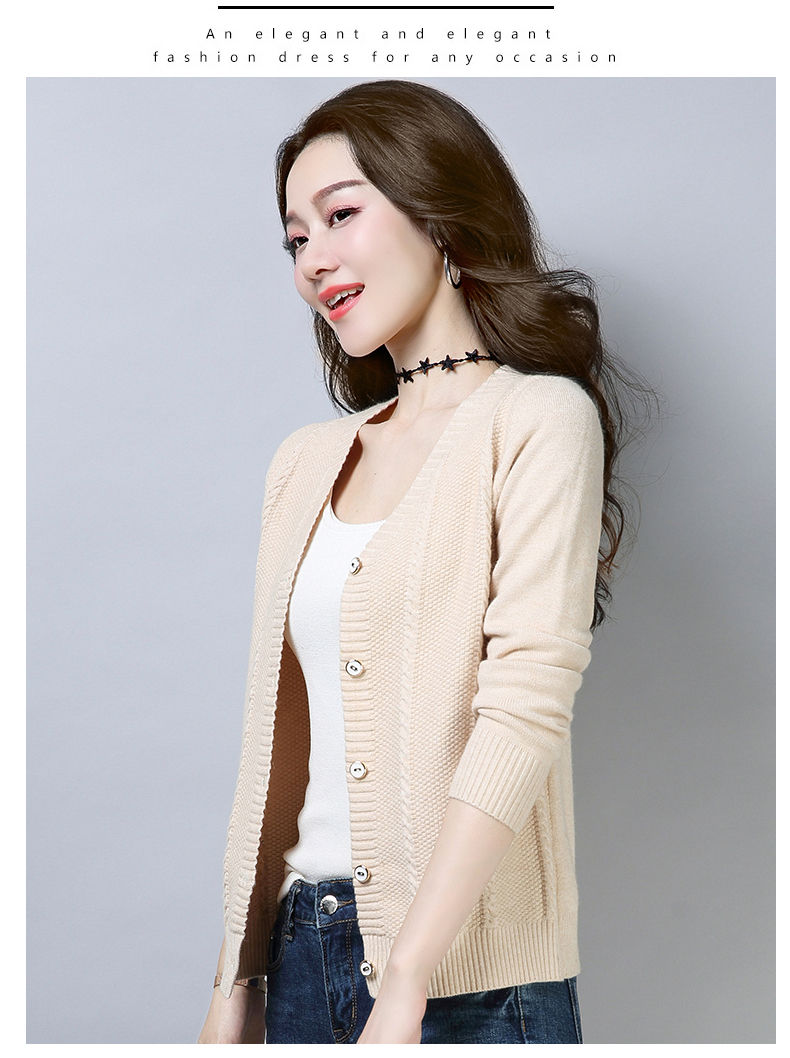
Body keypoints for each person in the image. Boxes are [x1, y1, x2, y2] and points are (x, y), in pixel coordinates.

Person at [198, 79, 652, 1045]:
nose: (313, 261)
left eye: (340, 216)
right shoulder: (303, 462)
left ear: (438, 213)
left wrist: (408, 976)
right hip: (300, 957)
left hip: (472, 982)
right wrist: (236, 978)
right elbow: (276, 741)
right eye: (294, 240)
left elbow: (525, 703)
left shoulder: (537, 420)